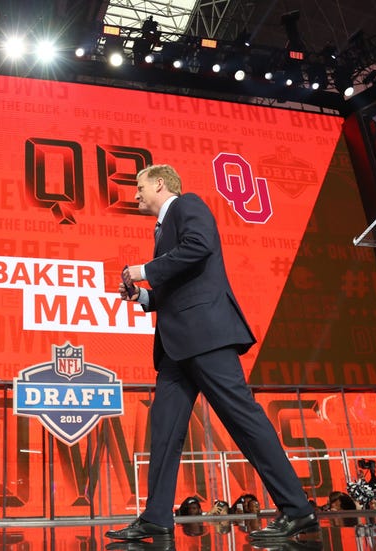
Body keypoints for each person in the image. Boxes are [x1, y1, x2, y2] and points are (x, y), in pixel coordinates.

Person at [106, 164, 317, 543]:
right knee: (164, 432)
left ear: (158, 184)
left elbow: (199, 246)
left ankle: (297, 510)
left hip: (205, 337)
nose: (135, 194)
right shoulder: (162, 228)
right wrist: (144, 296)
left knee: (243, 420)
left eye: (139, 186)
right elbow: (178, 288)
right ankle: (156, 517)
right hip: (176, 348)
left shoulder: (187, 204)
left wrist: (145, 270)